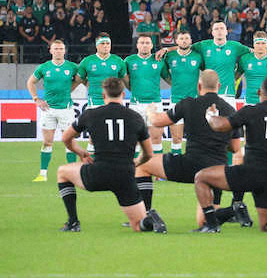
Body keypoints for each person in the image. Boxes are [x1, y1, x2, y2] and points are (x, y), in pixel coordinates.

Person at [56, 77, 166, 234]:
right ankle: (150, 220)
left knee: (62, 172)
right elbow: (149, 153)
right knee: (137, 225)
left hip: (98, 173)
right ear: (123, 94)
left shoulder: (90, 114)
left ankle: (73, 222)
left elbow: (66, 138)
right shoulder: (135, 117)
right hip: (125, 175)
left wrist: (81, 152)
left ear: (103, 95)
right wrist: (136, 162)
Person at [197, 75, 267, 233]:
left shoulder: (252, 111)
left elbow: (221, 126)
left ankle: (212, 224)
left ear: (259, 92)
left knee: (201, 177)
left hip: (249, 172)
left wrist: (210, 116)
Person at [142, 71, 242, 226]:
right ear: (219, 86)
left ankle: (145, 214)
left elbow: (157, 121)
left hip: (190, 165)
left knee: (142, 166)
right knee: (204, 221)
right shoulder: (230, 110)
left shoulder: (188, 103)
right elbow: (235, 147)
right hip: (216, 170)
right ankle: (234, 210)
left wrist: (150, 111)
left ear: (199, 86)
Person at [27, 39, 79, 181]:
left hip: (66, 110)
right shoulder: (44, 67)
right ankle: (42, 174)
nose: (58, 51)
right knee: (47, 142)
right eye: (55, 49)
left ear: (65, 51)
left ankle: (73, 174)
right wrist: (36, 99)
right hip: (48, 110)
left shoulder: (72, 67)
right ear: (50, 50)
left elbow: (82, 80)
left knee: (69, 142)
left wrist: (72, 88)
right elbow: (30, 82)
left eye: (61, 49)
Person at [75, 33, 127, 156]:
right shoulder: (87, 61)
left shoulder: (118, 61)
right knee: (94, 137)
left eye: (108, 43)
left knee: (114, 135)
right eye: (102, 43)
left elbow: (124, 80)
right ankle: (91, 167)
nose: (105, 46)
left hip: (113, 103)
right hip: (95, 102)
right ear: (97, 45)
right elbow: (78, 79)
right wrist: (87, 84)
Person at [123, 34, 169, 155]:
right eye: (142, 43)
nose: (144, 45)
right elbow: (124, 79)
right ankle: (137, 172)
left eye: (147, 43)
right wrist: (133, 91)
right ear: (137, 45)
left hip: (155, 104)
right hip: (136, 105)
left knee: (156, 139)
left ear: (152, 45)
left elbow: (169, 79)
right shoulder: (129, 60)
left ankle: (158, 172)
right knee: (136, 140)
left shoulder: (159, 60)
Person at [163, 30, 204, 154]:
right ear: (176, 41)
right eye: (181, 39)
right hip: (176, 101)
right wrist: (174, 84)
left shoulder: (198, 56)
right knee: (176, 138)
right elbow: (164, 74)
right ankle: (175, 166)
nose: (184, 41)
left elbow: (207, 71)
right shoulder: (170, 56)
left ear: (191, 41)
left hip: (194, 102)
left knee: (196, 137)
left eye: (186, 38)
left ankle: (194, 164)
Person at [238, 32, 267, 105]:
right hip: (249, 102)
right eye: (258, 43)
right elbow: (235, 77)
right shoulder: (245, 59)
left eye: (263, 43)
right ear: (253, 44)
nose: (260, 46)